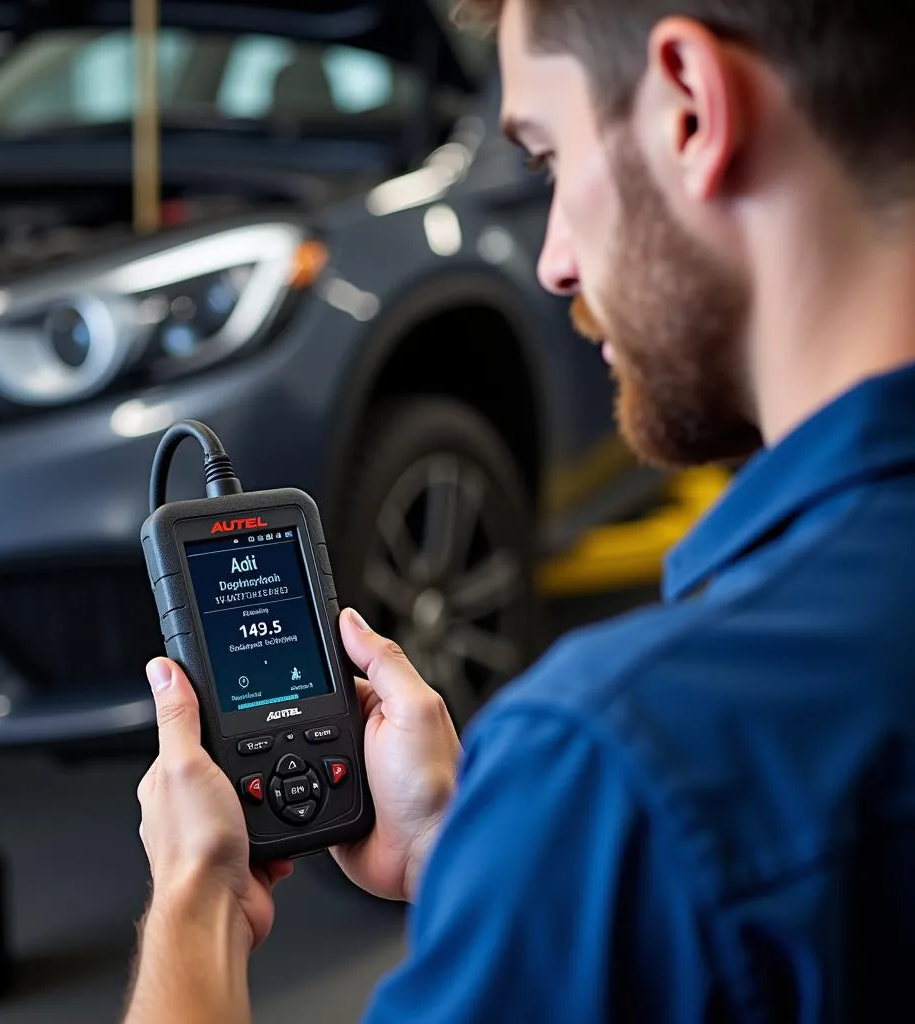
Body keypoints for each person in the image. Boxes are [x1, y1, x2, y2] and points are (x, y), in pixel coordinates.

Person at [124, 0, 915, 1018]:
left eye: (545, 160)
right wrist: (476, 849)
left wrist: (196, 902)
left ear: (689, 108)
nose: (554, 262)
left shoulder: (619, 762)